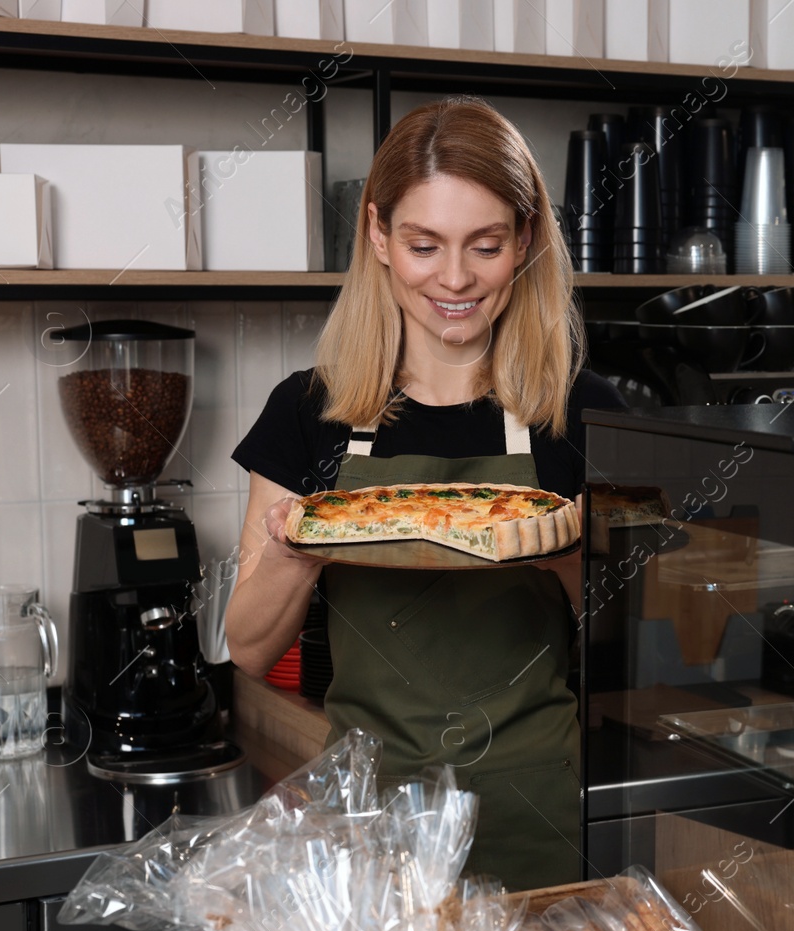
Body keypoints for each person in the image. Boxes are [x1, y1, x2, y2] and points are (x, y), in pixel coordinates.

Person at [227, 97, 624, 890]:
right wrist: (296, 546)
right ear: (377, 235)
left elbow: (634, 649)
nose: (454, 278)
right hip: (367, 820)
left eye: (485, 245)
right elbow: (248, 645)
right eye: (423, 244)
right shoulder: (309, 412)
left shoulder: (583, 412)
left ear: (526, 242)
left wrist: (571, 552)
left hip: (537, 807)